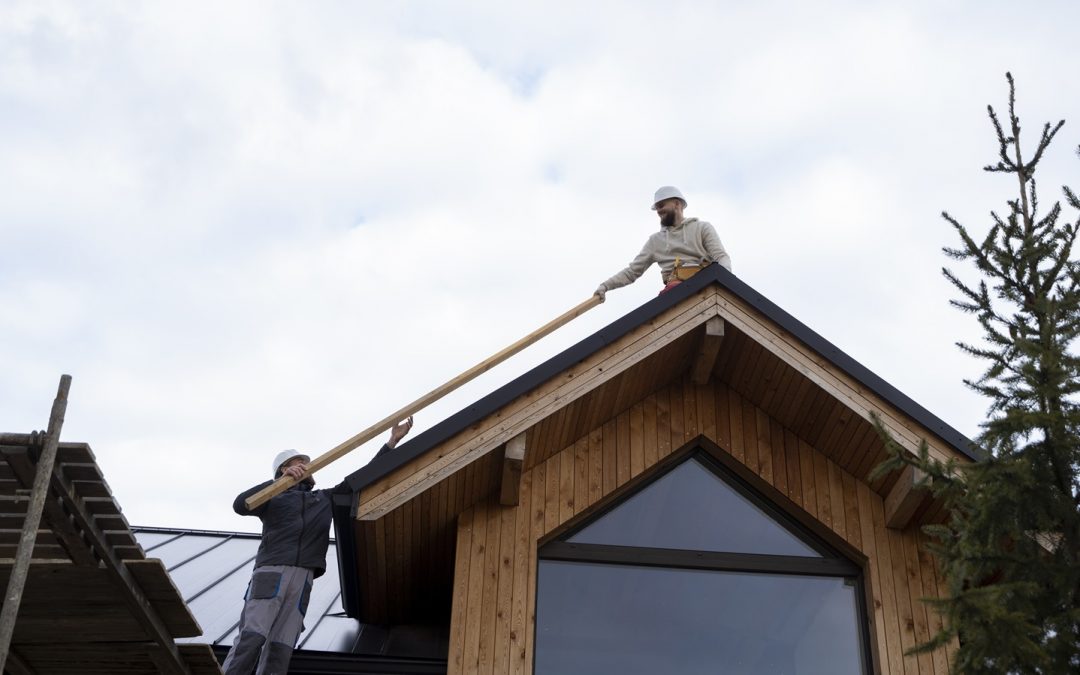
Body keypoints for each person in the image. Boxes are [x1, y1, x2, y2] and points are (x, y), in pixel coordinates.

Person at [222, 417, 414, 674]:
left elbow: (362, 479)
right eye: (296, 463)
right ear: (283, 470)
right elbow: (240, 504)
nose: (304, 466)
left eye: (306, 463)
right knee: (252, 637)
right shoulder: (271, 500)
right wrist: (276, 485)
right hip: (272, 572)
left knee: (280, 648)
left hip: (303, 578)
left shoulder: (323, 499)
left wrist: (390, 444)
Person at [595, 186, 732, 299]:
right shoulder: (655, 241)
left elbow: (721, 257)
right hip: (674, 293)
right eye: (657, 208)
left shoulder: (702, 228)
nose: (659, 211)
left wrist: (726, 283)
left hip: (704, 286)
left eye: (661, 205)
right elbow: (632, 272)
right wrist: (605, 286)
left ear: (677, 204)